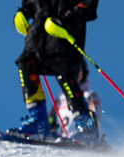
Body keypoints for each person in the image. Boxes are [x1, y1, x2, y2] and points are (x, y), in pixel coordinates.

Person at [9, 0, 99, 142]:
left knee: (64, 70)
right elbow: (31, 4)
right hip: (38, 34)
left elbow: (87, 4)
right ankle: (39, 120)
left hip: (64, 31)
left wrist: (67, 20)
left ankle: (85, 124)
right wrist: (23, 13)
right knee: (26, 62)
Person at [50, 60, 102, 137]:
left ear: (83, 72)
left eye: (77, 69)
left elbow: (95, 117)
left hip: (79, 136)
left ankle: (83, 133)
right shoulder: (60, 96)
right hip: (60, 137)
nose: (74, 73)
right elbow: (51, 117)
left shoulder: (89, 94)